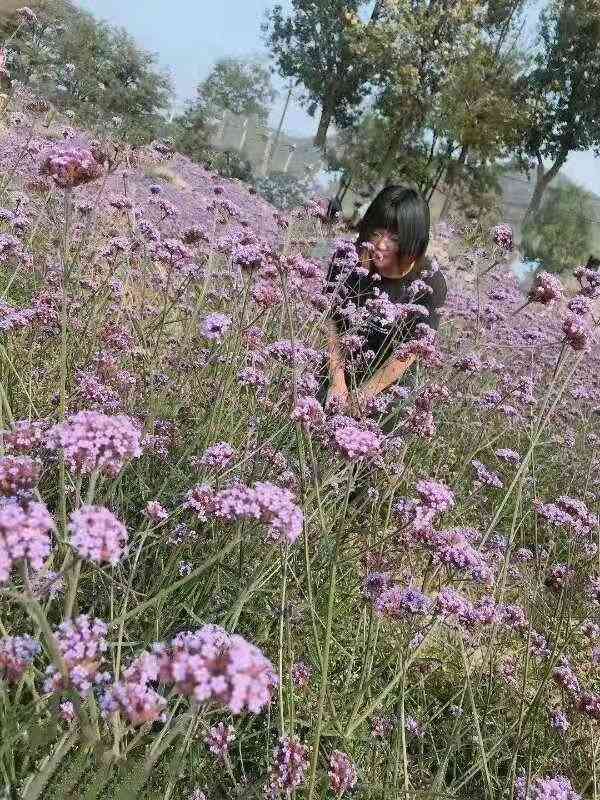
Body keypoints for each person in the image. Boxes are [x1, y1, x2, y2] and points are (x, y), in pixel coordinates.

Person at [321, 185, 447, 414]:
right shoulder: (348, 257)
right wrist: (336, 380)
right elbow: (329, 319)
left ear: (413, 241)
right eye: (377, 232)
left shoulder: (430, 283)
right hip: (335, 365)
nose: (381, 245)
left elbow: (412, 349)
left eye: (395, 238)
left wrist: (364, 396)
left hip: (385, 386)